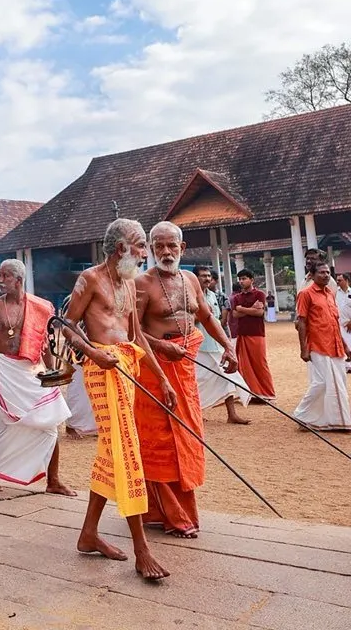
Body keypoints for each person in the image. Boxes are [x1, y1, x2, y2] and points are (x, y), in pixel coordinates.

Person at [64, 218, 172, 581]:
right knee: (126, 451)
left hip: (126, 367)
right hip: (102, 371)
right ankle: (142, 549)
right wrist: (93, 353)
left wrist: (162, 379)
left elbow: (137, 337)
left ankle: (88, 534)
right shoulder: (90, 279)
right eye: (140, 245)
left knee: (112, 451)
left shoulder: (128, 283)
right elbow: (66, 325)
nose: (144, 253)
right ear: (121, 247)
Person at [134, 222, 238, 539]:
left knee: (187, 436)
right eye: (159, 246)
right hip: (155, 371)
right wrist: (161, 346)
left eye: (171, 246)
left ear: (182, 247)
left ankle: (167, 512)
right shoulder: (141, 284)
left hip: (185, 367)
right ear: (151, 249)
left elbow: (205, 316)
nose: (166, 252)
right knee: (161, 443)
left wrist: (228, 345)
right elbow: (131, 331)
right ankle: (169, 514)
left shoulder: (190, 279)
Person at [0, 259, 73, 495]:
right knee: (3, 423)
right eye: (0, 276)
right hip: (6, 370)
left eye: (5, 276)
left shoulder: (41, 307)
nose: (0, 281)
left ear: (19, 280)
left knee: (50, 423)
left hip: (33, 369)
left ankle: (53, 480)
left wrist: (51, 374)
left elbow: (45, 344)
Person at [293, 261, 351, 429]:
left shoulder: (330, 294)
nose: (326, 275)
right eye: (321, 272)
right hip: (318, 343)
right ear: (312, 275)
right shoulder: (305, 294)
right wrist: (303, 349)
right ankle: (302, 414)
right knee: (322, 382)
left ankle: (335, 421)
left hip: (335, 344)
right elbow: (301, 322)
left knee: (338, 382)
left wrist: (345, 345)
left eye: (327, 272)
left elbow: (334, 321)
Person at [193, 266, 252, 423]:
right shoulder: (189, 296)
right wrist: (203, 315)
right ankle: (195, 413)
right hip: (199, 346)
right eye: (203, 276)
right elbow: (186, 320)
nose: (207, 279)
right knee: (198, 381)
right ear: (195, 278)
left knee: (228, 377)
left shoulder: (213, 295)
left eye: (208, 276)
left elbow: (218, 321)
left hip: (216, 344)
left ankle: (232, 415)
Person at [229, 269, 276, 403]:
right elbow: (235, 314)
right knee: (244, 366)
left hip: (256, 333)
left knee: (260, 363)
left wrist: (241, 309)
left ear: (252, 280)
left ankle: (268, 394)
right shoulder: (237, 297)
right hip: (242, 334)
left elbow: (259, 313)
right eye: (240, 279)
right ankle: (253, 394)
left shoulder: (259, 294)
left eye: (244, 278)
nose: (241, 281)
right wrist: (251, 309)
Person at [333, 271, 351, 372]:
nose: (338, 282)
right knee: (343, 345)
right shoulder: (335, 293)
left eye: (340, 280)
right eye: (337, 280)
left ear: (346, 280)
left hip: (349, 324)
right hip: (338, 324)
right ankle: (347, 366)